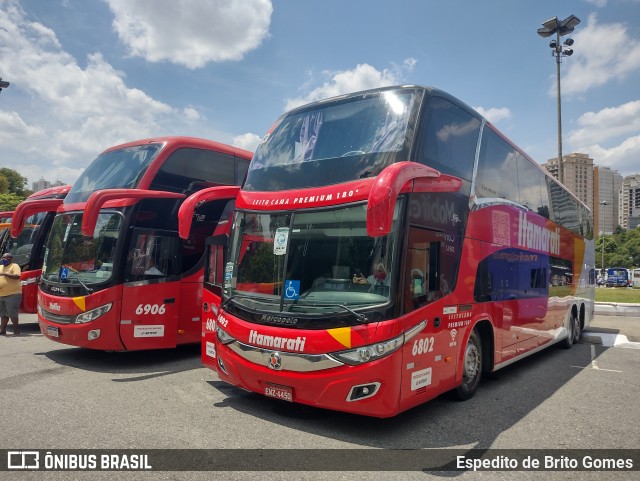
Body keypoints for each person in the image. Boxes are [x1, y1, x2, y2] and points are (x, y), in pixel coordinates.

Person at [0, 253, 22, 336]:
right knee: (3, 314)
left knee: (12, 313)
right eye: (3, 258)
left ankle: (16, 330)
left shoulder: (14, 266)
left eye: (6, 258)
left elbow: (17, 276)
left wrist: (4, 274)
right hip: (2, 294)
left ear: (10, 259)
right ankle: (2, 330)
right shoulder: (0, 267)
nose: (3, 259)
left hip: (13, 294)